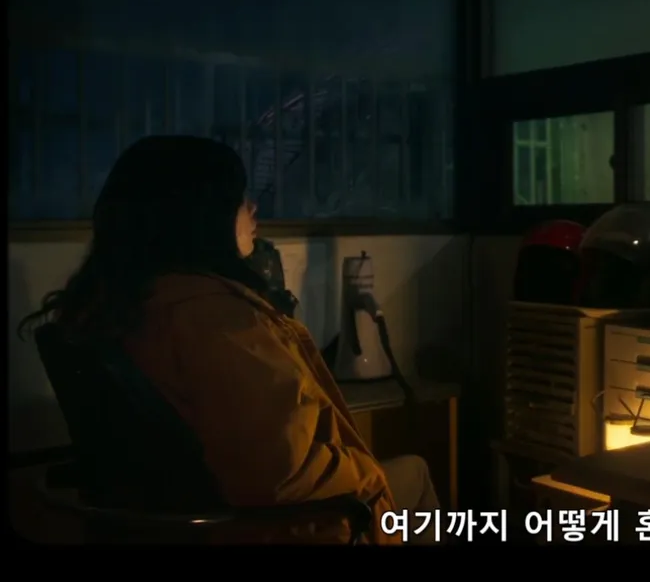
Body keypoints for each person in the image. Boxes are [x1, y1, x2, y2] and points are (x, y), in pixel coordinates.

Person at [19, 136, 439, 544]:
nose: (253, 208)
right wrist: (365, 472)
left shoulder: (115, 303)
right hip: (276, 525)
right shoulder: (218, 318)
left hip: (184, 523)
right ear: (203, 216)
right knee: (414, 475)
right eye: (239, 198)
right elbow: (279, 468)